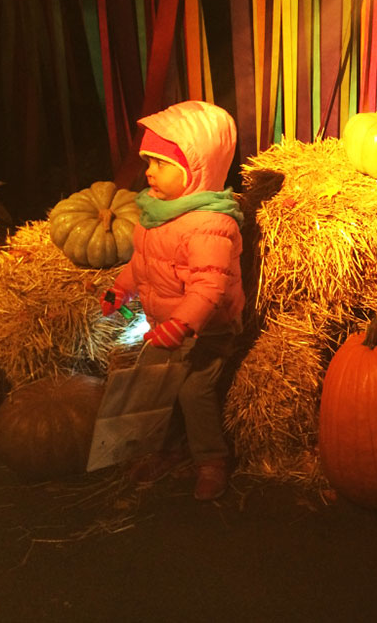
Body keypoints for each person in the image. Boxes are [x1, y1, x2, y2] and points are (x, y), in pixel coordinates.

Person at [100, 100, 244, 501]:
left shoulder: (210, 225)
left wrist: (183, 324)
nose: (148, 172)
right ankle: (168, 448)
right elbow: (142, 263)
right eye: (148, 161)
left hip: (206, 329)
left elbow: (209, 288)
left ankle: (211, 460)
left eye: (160, 163)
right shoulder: (155, 212)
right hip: (164, 326)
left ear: (194, 170)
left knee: (192, 390)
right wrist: (120, 289)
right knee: (156, 385)